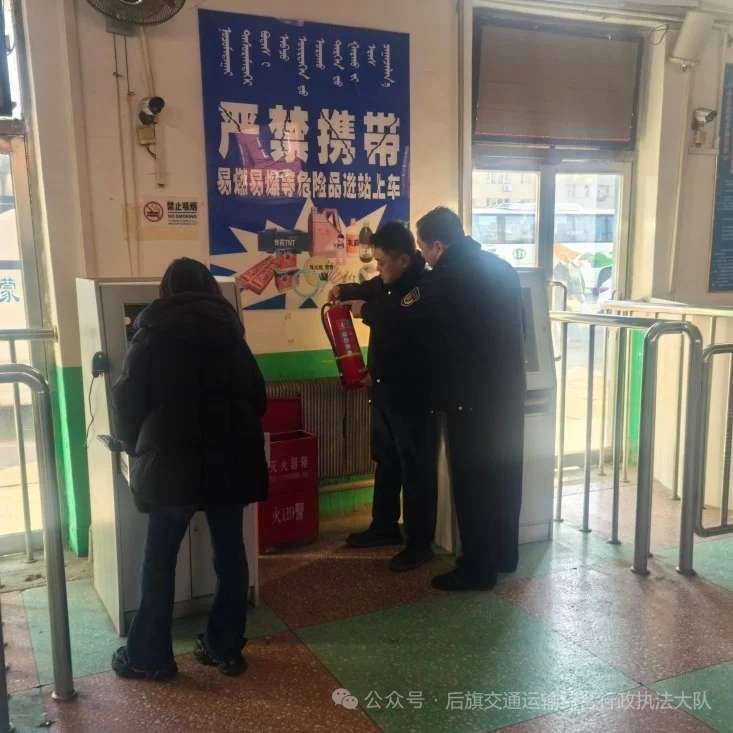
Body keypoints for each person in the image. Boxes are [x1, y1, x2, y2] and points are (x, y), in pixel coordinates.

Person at [110, 257, 267, 679]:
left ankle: (149, 657)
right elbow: (258, 396)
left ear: (167, 291)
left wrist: (133, 445)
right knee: (230, 554)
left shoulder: (151, 331)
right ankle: (225, 648)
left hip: (171, 465)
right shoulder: (231, 332)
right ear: (210, 289)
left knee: (160, 559)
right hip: (228, 461)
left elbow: (126, 399)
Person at [415, 207, 526, 592]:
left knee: (473, 483)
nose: (424, 257)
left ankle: (477, 569)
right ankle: (505, 555)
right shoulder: (503, 268)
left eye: (423, 249)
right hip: (508, 392)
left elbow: (418, 322)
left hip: (469, 398)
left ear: (437, 245)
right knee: (505, 477)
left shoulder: (444, 278)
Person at [330, 221, 437, 572]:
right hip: (384, 388)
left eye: (383, 262)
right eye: (376, 261)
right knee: (386, 460)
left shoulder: (422, 288)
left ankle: (419, 543)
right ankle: (384, 526)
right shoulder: (387, 282)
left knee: (415, 469)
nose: (379, 268)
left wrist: (365, 310)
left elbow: (399, 321)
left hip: (413, 394)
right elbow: (369, 288)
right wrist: (343, 291)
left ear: (404, 259)